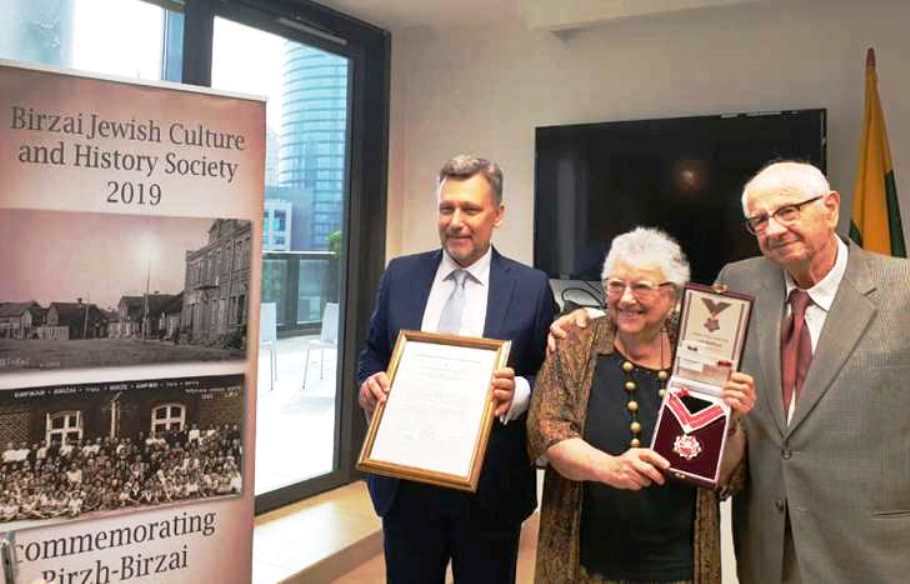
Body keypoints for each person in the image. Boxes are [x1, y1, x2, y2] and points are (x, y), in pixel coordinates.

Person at [357, 154, 555, 583]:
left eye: (470, 209)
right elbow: (372, 353)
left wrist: (520, 391)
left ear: (497, 215)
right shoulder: (400, 274)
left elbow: (551, 380)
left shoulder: (531, 288)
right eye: (446, 208)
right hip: (406, 488)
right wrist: (368, 383)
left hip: (490, 492)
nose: (456, 221)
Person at [715, 161, 910, 583]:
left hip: (875, 546)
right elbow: (683, 348)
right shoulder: (737, 282)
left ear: (831, 208)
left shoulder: (903, 289)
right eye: (759, 220)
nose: (773, 230)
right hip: (769, 542)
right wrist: (581, 324)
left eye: (788, 211)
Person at [528, 227, 755, 584]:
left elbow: (723, 472)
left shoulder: (704, 351)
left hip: (679, 566)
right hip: (589, 564)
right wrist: (609, 468)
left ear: (673, 296)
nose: (626, 298)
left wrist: (730, 421)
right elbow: (549, 432)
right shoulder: (576, 345)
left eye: (642, 287)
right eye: (616, 285)